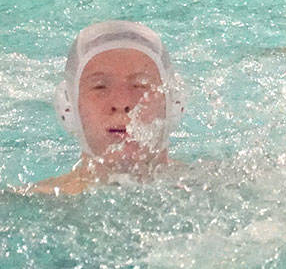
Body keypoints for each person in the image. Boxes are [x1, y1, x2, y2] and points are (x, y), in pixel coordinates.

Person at [29, 20, 185, 195]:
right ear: (68, 106)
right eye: (100, 86)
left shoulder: (213, 189)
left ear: (173, 102)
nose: (121, 103)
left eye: (141, 85)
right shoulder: (27, 205)